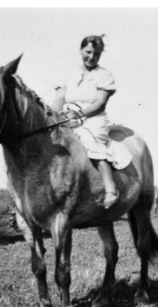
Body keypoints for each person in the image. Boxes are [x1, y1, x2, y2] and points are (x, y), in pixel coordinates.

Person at [52, 35, 118, 209]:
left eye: (96, 54)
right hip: (67, 117)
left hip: (92, 118)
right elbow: (59, 98)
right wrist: (57, 117)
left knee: (91, 143)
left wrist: (79, 114)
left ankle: (110, 188)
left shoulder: (104, 75)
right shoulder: (69, 73)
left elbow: (100, 103)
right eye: (88, 52)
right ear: (81, 50)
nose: (91, 57)